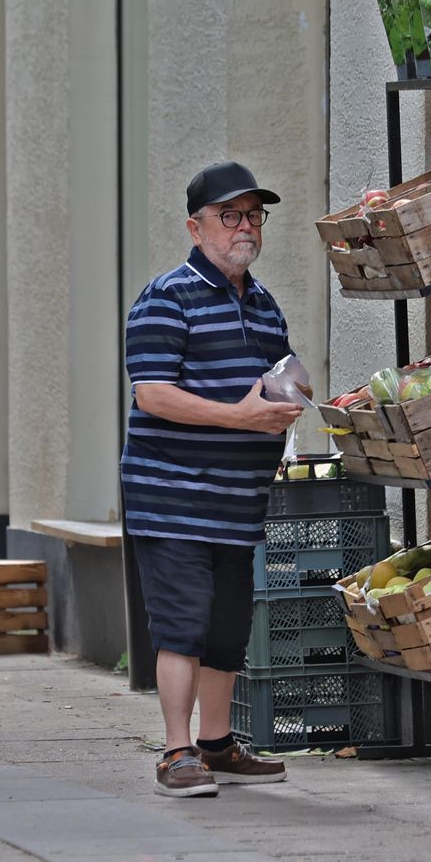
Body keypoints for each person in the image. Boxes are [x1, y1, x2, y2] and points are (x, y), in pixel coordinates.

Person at [121, 160, 310, 797]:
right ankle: (176, 753)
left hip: (237, 501)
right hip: (171, 496)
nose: (246, 228)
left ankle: (217, 744)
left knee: (229, 626)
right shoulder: (166, 297)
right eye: (230, 216)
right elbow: (153, 395)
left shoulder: (262, 304)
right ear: (195, 228)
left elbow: (271, 385)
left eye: (254, 215)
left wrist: (290, 405)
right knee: (183, 625)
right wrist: (240, 418)